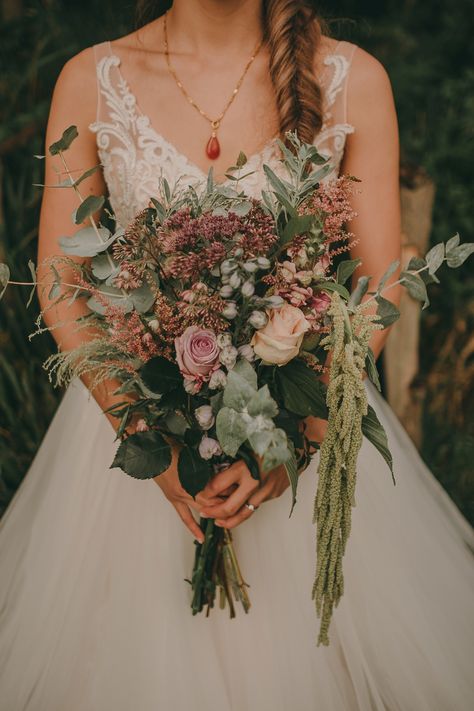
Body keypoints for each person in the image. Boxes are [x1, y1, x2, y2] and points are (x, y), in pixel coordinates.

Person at [1, 1, 473, 709]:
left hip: (301, 429)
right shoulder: (92, 79)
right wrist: (140, 430)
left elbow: (380, 278)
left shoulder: (353, 80)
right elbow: (59, 281)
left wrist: (298, 435)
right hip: (136, 438)